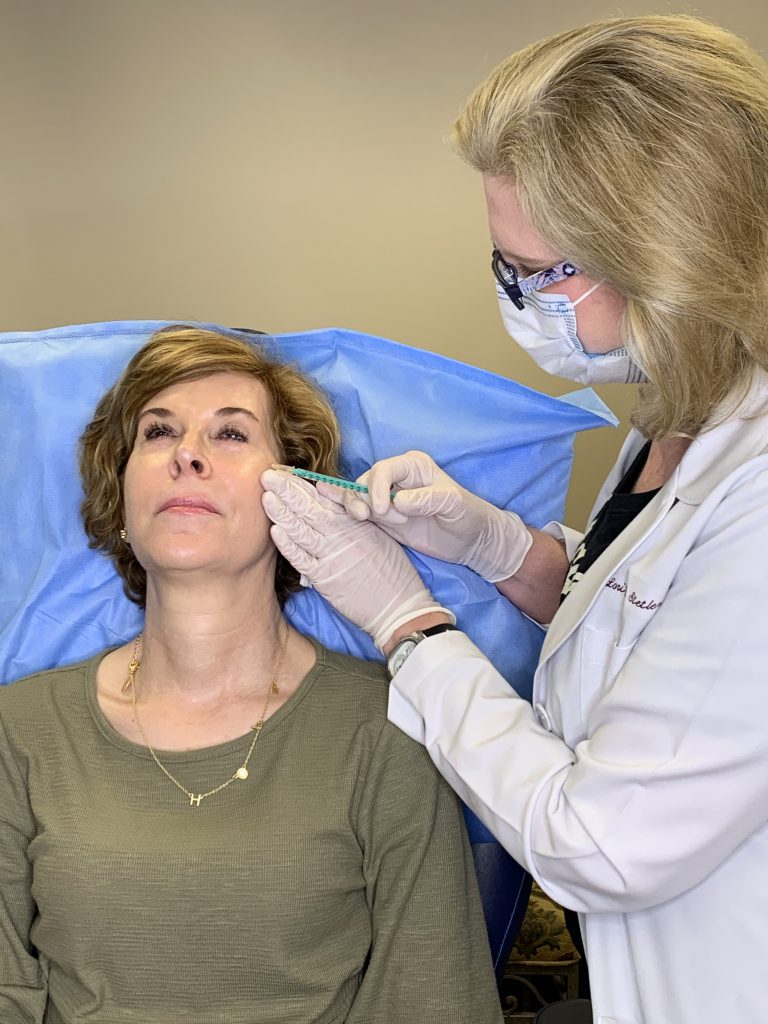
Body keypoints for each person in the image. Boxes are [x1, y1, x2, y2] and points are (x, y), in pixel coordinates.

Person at [260, 15, 768, 1024]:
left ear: (675, 255)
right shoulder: (688, 397)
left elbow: (603, 844)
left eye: (541, 272)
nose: (518, 297)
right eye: (505, 265)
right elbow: (644, 608)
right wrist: (501, 547)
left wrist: (408, 625)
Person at [0, 325, 504, 1024]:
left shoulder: (387, 728)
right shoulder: (21, 732)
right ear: (120, 499)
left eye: (231, 435)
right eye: (157, 432)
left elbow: (431, 999)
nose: (187, 456)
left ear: (298, 495)